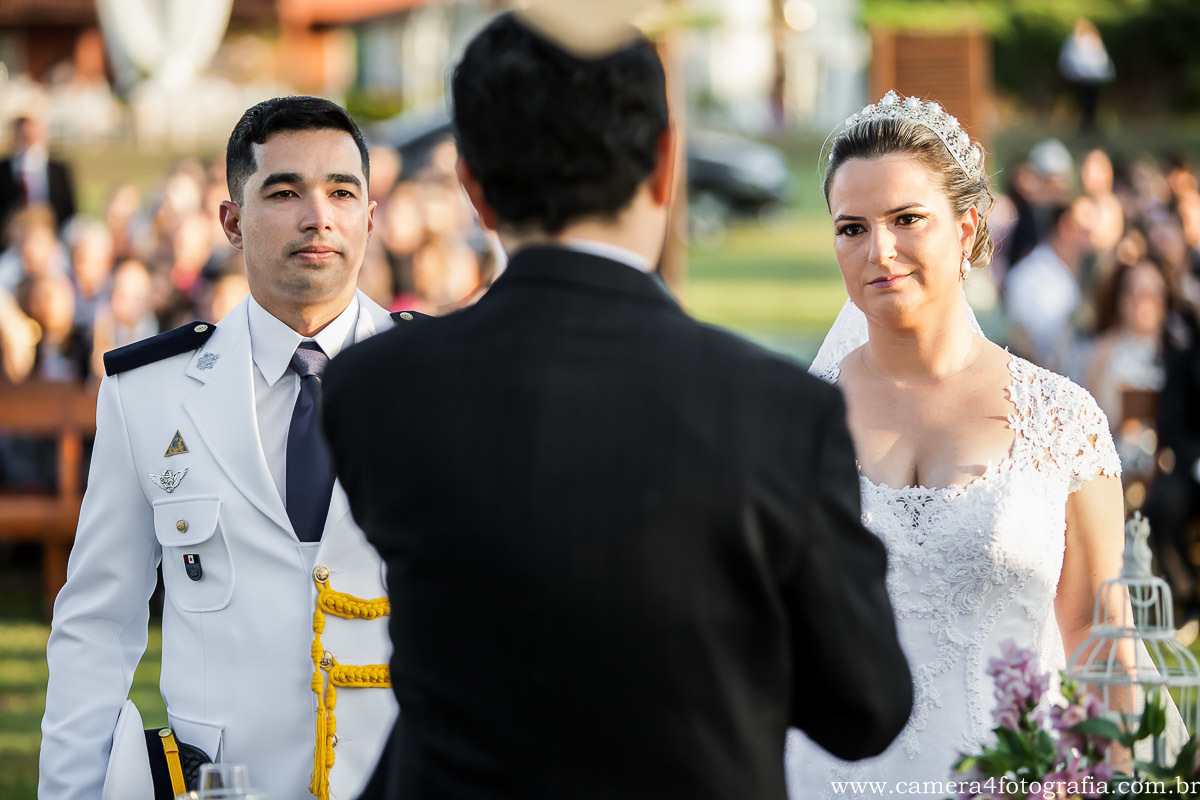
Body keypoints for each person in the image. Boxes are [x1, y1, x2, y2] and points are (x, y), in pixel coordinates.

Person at [322, 12, 911, 800]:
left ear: (473, 188)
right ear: (666, 166)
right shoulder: (779, 412)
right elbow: (864, 707)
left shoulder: (372, 389)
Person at [40, 96, 404, 800]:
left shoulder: (438, 378)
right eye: (284, 191)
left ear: (369, 217)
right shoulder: (149, 393)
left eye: (341, 191)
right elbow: (97, 624)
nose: (318, 216)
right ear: (231, 222)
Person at [785, 90, 1130, 796]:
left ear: (967, 225)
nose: (879, 251)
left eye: (907, 219)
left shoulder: (1062, 422)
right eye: (851, 228)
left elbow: (1100, 639)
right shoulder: (788, 421)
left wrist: (1116, 782)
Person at [0, 114, 77, 231]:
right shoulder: (4, 169)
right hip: (13, 231)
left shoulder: (58, 169)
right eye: (23, 136)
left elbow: (69, 209)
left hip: (51, 229)